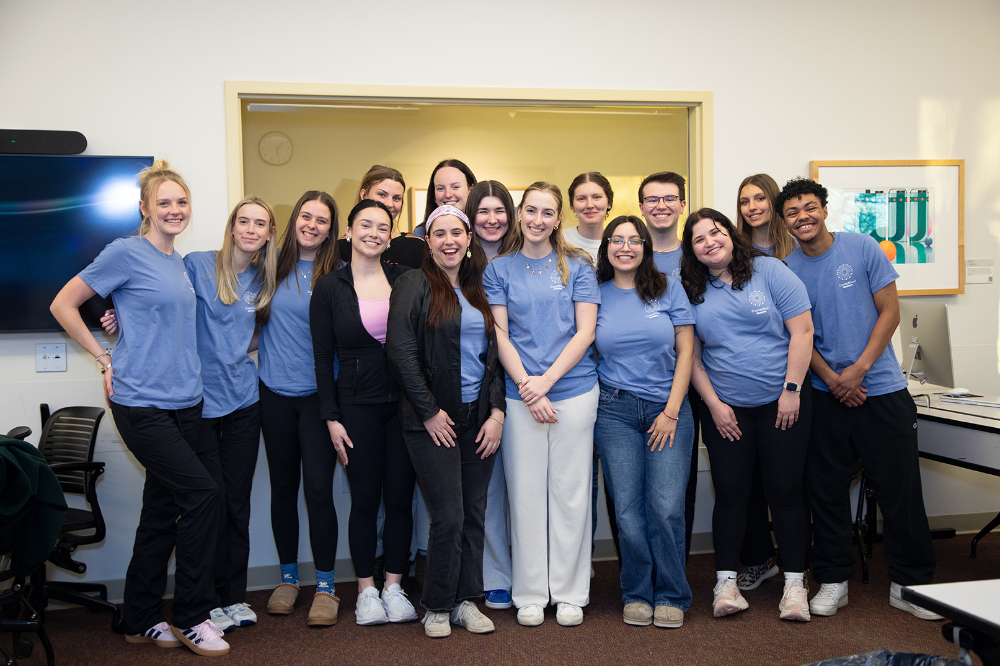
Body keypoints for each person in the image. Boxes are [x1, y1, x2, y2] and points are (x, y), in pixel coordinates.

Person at [49, 160, 229, 656]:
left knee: (162, 510)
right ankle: (191, 617)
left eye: (181, 201)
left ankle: (140, 616)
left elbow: (153, 319)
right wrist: (104, 356)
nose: (174, 210)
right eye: (164, 202)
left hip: (187, 402)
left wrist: (117, 317)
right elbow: (64, 303)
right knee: (204, 496)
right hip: (141, 402)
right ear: (145, 209)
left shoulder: (179, 262)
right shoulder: (125, 252)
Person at [101, 196, 280, 631]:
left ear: (269, 234)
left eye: (260, 224)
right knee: (205, 502)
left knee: (236, 504)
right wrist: (119, 321)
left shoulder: (265, 279)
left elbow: (259, 334)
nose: (251, 229)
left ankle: (232, 597)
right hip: (196, 404)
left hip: (243, 401)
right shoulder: (197, 264)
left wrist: (236, 349)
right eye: (244, 221)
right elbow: (159, 305)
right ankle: (207, 602)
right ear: (231, 226)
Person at [778, 177, 940, 620]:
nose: (802, 217)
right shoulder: (787, 270)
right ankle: (833, 580)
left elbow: (891, 311)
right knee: (826, 492)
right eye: (792, 212)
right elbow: (798, 335)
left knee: (900, 491)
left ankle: (910, 584)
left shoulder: (862, 247)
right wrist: (834, 379)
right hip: (824, 394)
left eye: (809, 207)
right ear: (785, 222)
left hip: (881, 388)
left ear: (824, 209)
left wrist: (858, 370)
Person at [680, 208, 814, 622]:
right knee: (731, 493)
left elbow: (802, 331)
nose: (710, 242)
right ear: (692, 251)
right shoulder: (690, 288)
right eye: (699, 239)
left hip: (782, 402)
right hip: (726, 409)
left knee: (785, 492)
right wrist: (714, 405)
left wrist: (791, 390)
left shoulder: (769, 271)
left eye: (715, 232)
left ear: (731, 234)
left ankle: (795, 585)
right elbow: (691, 356)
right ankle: (726, 584)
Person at [483, 182, 600, 628]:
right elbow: (500, 334)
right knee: (526, 495)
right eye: (530, 210)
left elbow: (585, 331)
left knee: (571, 495)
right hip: (520, 396)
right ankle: (530, 593)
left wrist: (546, 383)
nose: (537, 220)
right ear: (519, 214)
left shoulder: (579, 266)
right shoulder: (500, 269)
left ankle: (570, 593)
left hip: (574, 392)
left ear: (558, 219)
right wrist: (527, 387)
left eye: (547, 212)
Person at [386, 204, 506, 638]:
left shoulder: (481, 287)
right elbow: (400, 352)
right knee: (448, 516)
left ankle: (465, 600)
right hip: (432, 420)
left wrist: (497, 412)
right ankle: (437, 605)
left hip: (479, 418)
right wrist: (430, 412)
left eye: (457, 233)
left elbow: (497, 356)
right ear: (428, 241)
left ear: (469, 239)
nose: (449, 241)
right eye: (439, 234)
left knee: (474, 513)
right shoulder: (412, 284)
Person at [310, 200, 418, 626]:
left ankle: (394, 586)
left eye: (382, 227)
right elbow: (322, 359)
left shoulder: (406, 279)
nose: (374, 233)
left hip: (404, 407)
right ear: (349, 232)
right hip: (355, 408)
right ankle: (367, 591)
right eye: (365, 225)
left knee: (400, 500)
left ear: (390, 236)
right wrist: (331, 418)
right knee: (365, 500)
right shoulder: (329, 287)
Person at [593, 215, 695, 628]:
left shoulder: (669, 288)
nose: (625, 247)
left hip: (667, 409)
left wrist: (671, 411)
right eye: (616, 240)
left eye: (634, 240)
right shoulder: (594, 293)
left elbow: (687, 351)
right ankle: (637, 591)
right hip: (613, 410)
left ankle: (671, 593)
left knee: (666, 506)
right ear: (606, 248)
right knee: (628, 510)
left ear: (645, 248)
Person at [257, 190, 342, 626]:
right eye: (305, 216)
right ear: (293, 221)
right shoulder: (268, 266)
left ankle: (326, 585)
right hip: (273, 393)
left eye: (321, 220)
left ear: (331, 229)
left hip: (318, 399)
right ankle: (288, 578)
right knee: (282, 488)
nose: (312, 225)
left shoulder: (339, 274)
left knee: (319, 491)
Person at [732, 173, 798, 592]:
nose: (752, 207)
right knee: (747, 482)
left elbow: (803, 326)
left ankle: (796, 566)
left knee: (788, 481)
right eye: (744, 201)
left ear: (774, 201)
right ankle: (758, 559)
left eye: (759, 198)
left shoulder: (796, 250)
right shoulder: (732, 252)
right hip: (744, 387)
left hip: (793, 381)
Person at [637, 171, 701, 561]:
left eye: (669, 198)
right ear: (641, 206)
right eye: (652, 199)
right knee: (632, 489)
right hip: (649, 381)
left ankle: (677, 566)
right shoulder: (630, 253)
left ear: (682, 204)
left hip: (703, 380)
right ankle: (639, 567)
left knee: (678, 486)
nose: (661, 206)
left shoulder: (698, 253)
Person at [563, 171, 622, 568]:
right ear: (571, 205)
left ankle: (623, 565)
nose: (589, 204)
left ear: (609, 202)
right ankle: (579, 565)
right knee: (580, 477)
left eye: (597, 197)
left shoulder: (622, 240)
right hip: (576, 372)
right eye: (581, 198)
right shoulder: (561, 243)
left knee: (618, 477)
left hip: (617, 373)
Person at [464, 180, 516, 610]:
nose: (492, 219)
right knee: (490, 488)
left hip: (533, 386)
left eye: (500, 210)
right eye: (483, 211)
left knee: (527, 489)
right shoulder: (460, 263)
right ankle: (495, 574)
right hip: (487, 389)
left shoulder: (526, 257)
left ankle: (533, 572)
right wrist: (495, 407)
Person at [337, 165, 425, 269]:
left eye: (396, 198)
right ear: (364, 195)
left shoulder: (417, 246)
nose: (389, 204)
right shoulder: (338, 248)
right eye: (382, 195)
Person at [411, 159, 477, 238]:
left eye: (455, 187)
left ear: (471, 190)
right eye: (440, 188)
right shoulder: (420, 233)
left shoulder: (483, 230)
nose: (448, 195)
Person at [467, 180, 514, 261]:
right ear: (471, 215)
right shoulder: (459, 260)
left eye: (499, 211)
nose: (492, 221)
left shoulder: (524, 256)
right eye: (483, 212)